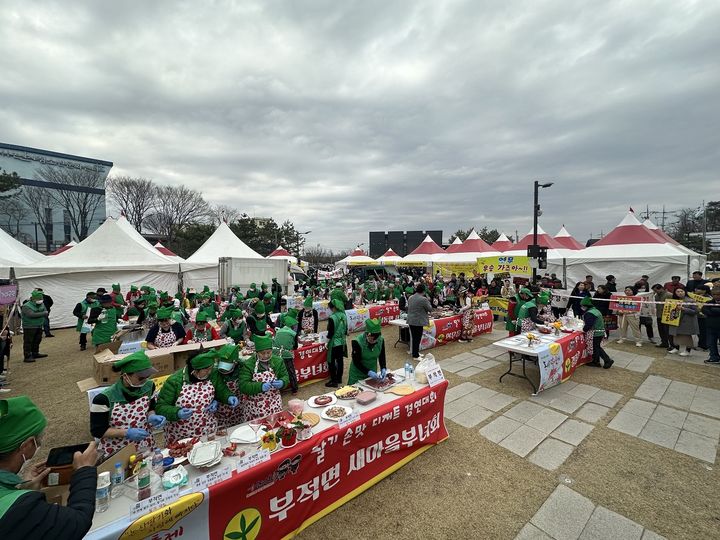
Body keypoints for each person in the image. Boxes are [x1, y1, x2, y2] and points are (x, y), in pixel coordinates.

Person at [0, 396, 98, 540]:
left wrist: (21, 490)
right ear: (26, 445)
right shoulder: (20, 508)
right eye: (37, 440)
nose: (39, 444)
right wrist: (84, 471)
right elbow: (76, 522)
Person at [90, 351, 165, 457]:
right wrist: (126, 432)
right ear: (125, 376)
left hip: (145, 445)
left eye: (147, 376)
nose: (145, 380)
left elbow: (150, 407)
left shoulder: (149, 386)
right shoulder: (103, 399)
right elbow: (98, 430)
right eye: (140, 378)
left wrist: (152, 415)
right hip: (117, 450)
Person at [156, 349, 238, 443]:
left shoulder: (213, 375)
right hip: (182, 433)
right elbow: (160, 407)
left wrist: (228, 397)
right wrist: (177, 412)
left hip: (207, 429)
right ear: (194, 370)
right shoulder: (175, 381)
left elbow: (221, 390)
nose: (209, 372)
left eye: (211, 368)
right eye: (206, 370)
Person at [238, 333, 289, 419]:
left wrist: (283, 382)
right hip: (256, 407)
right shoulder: (249, 364)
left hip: (275, 403)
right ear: (256, 352)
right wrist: (260, 386)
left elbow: (285, 376)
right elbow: (243, 386)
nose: (266, 356)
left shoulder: (278, 361)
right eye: (262, 353)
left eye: (268, 352)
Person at [214, 344, 246, 429]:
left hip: (238, 407)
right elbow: (215, 388)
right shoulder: (215, 372)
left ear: (235, 362)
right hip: (221, 409)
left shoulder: (242, 367)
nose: (224, 370)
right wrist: (213, 400)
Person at [348, 318, 387, 385]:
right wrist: (368, 372)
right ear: (367, 335)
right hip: (358, 373)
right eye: (371, 340)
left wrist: (383, 367)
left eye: (375, 341)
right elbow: (356, 362)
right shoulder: (357, 342)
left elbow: (382, 356)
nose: (373, 342)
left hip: (372, 372)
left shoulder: (381, 340)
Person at [580, 296, 613, 369]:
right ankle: (596, 361)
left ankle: (607, 360)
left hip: (595, 333)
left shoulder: (590, 313)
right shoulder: (595, 310)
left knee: (597, 347)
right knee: (596, 347)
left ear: (586, 306)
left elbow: (589, 325)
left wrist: (583, 330)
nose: (581, 307)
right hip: (600, 331)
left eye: (582, 306)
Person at [668, 288, 698, 357]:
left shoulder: (690, 300)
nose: (680, 293)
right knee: (676, 335)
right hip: (676, 320)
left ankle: (687, 350)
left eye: (682, 291)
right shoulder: (674, 300)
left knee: (686, 336)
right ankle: (676, 348)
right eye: (678, 291)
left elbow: (695, 311)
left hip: (686, 321)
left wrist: (684, 309)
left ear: (685, 292)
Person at [325, 299, 348, 387]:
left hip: (334, 342)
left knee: (331, 361)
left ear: (333, 308)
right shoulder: (344, 315)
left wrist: (326, 341)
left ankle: (333, 381)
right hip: (342, 341)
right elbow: (346, 330)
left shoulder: (332, 318)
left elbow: (330, 333)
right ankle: (339, 378)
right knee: (340, 360)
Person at [273, 316, 299, 394]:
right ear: (292, 326)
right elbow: (295, 347)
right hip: (286, 354)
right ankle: (294, 389)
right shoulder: (293, 333)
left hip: (275, 354)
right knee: (291, 371)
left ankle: (279, 390)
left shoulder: (278, 331)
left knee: (278, 371)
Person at [21, 291, 48, 363]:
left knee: (37, 340)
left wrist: (44, 313)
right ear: (33, 299)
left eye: (41, 299)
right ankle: (27, 356)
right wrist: (43, 313)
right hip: (29, 326)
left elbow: (46, 310)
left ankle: (35, 353)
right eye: (39, 299)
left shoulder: (42, 304)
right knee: (28, 341)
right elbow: (31, 315)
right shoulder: (26, 306)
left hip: (39, 325)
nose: (41, 300)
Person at [407, 284, 432, 360]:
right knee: (417, 338)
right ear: (423, 291)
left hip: (411, 320)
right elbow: (429, 309)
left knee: (415, 338)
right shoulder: (423, 299)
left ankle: (416, 352)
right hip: (418, 321)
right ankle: (415, 355)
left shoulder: (410, 297)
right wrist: (428, 300)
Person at [651, 284, 674, 351]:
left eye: (656, 290)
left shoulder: (669, 295)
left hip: (667, 315)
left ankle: (672, 345)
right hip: (659, 315)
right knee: (661, 330)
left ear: (661, 288)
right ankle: (664, 342)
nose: (655, 292)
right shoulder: (656, 296)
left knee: (668, 331)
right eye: (654, 291)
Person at [701, 287, 720, 365]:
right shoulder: (708, 302)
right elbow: (704, 310)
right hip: (710, 327)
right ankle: (714, 357)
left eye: (718, 294)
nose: (716, 296)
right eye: (714, 294)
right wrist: (715, 311)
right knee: (711, 343)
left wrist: (712, 310)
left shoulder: (710, 305)